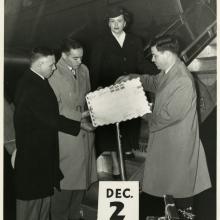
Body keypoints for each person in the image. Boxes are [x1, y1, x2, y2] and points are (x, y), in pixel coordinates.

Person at [116, 35, 211, 218]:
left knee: (180, 200)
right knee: (169, 198)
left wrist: (138, 110)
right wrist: (133, 78)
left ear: (167, 54)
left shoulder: (182, 80)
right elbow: (154, 82)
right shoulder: (170, 71)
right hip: (168, 147)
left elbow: (164, 118)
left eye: (155, 55)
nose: (152, 60)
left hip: (178, 152)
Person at [13, 47, 90, 220]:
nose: (54, 68)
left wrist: (79, 119)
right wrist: (80, 124)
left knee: (41, 207)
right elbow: (51, 119)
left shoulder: (36, 80)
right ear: (40, 64)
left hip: (41, 159)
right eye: (51, 65)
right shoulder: (32, 86)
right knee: (31, 209)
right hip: (34, 161)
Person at [89, 6, 154, 179]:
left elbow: (141, 63)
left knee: (130, 122)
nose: (116, 24)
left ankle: (126, 148)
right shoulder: (100, 42)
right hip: (109, 89)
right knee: (111, 128)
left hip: (130, 89)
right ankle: (117, 164)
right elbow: (95, 68)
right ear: (108, 23)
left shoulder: (135, 40)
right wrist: (95, 88)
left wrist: (157, 72)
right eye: (112, 21)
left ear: (125, 22)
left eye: (119, 21)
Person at [48, 39, 97, 220]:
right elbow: (55, 107)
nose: (80, 62)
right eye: (75, 58)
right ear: (64, 56)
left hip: (84, 137)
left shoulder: (84, 70)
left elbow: (87, 97)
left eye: (81, 57)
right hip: (66, 136)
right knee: (64, 190)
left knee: (80, 188)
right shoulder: (53, 73)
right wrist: (81, 116)